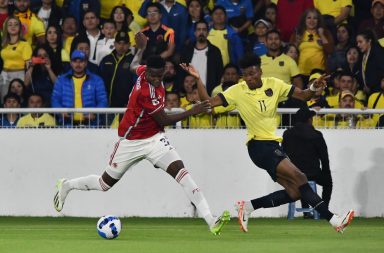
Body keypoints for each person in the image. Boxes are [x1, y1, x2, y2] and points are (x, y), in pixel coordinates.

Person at [53, 33, 230, 236]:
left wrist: (140, 49)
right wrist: (192, 110)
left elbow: (133, 65)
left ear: (164, 71)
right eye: (152, 76)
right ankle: (66, 185)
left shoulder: (145, 70)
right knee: (104, 184)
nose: (155, 80)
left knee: (183, 175)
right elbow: (163, 120)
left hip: (155, 140)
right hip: (131, 141)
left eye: (159, 76)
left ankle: (211, 220)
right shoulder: (146, 92)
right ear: (147, 75)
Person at [180, 53, 354, 233]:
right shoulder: (237, 91)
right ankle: (334, 220)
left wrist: (313, 86)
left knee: (294, 192)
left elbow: (303, 95)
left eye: (253, 73)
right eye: (246, 75)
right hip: (259, 146)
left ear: (260, 71)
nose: (250, 78)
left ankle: (248, 207)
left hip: (272, 146)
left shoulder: (275, 84)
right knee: (301, 178)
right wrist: (198, 79)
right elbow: (208, 103)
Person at [282, 106, 333, 218]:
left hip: (294, 174)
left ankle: (306, 212)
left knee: (302, 182)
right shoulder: (316, 134)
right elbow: (324, 157)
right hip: (313, 173)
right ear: (309, 119)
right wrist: (326, 173)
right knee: (328, 183)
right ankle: (323, 210)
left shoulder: (287, 134)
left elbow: (283, 155)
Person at [51, 50, 108, 127]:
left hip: (91, 126)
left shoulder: (97, 80)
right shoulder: (61, 80)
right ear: (71, 63)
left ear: (86, 63)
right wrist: (60, 111)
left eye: (81, 61)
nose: (78, 64)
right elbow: (55, 99)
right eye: (75, 61)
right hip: (67, 125)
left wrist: (94, 113)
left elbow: (103, 101)